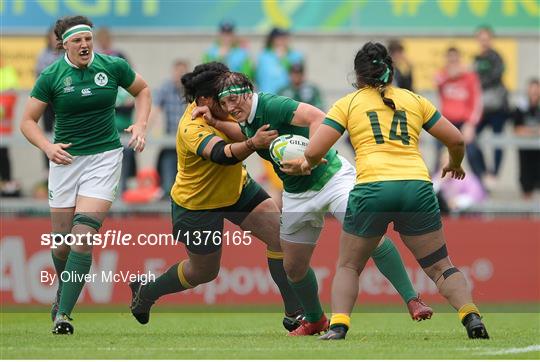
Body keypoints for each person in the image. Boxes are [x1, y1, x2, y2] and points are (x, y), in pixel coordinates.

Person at [203, 71, 433, 337]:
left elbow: (318, 118)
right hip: (297, 194)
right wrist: (218, 124)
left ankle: (412, 299)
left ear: (248, 91)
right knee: (293, 267)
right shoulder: (246, 117)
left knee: (370, 236)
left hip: (332, 178)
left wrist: (309, 158)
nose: (231, 107)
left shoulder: (272, 105)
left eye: (234, 99)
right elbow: (244, 132)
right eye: (225, 104)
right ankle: (315, 320)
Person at [285, 42, 488, 340]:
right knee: (440, 266)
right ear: (391, 72)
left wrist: (306, 163)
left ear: (358, 76)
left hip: (372, 189)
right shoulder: (415, 100)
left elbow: (315, 150)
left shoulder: (348, 103)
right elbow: (456, 139)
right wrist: (455, 164)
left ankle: (339, 326)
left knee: (350, 265)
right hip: (416, 188)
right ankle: (471, 316)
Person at [129, 62, 305, 333]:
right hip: (197, 205)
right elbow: (221, 154)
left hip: (237, 190)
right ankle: (147, 291)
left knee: (281, 238)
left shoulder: (228, 107)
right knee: (204, 272)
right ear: (204, 100)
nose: (230, 97)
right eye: (222, 92)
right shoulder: (191, 127)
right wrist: (253, 143)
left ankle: (295, 312)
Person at [19, 15, 151, 335]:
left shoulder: (112, 66)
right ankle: (63, 296)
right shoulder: (51, 75)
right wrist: (47, 148)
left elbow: (143, 90)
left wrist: (141, 123)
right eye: (77, 40)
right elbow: (27, 121)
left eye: (88, 39)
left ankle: (63, 313)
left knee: (83, 236)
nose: (84, 45)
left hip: (104, 158)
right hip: (65, 161)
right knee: (62, 245)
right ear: (64, 44)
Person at [434, 47, 483, 176]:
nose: (453, 63)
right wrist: (451, 75)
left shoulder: (470, 77)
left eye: (455, 60)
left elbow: (477, 102)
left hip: (464, 123)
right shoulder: (442, 75)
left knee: (472, 153)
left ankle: (481, 186)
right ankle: (435, 187)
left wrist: (471, 124)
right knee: (439, 154)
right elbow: (437, 80)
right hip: (446, 121)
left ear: (460, 59)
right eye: (450, 60)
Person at [473, 26, 508, 188]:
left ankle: (494, 173)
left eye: (486, 38)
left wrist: (479, 84)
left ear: (491, 39)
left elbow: (496, 75)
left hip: (497, 107)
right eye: (481, 38)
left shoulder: (496, 57)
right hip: (482, 108)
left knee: (498, 139)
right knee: (471, 137)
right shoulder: (476, 59)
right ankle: (484, 172)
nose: (484, 41)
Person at [153, 59, 189, 195]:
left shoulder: (192, 90)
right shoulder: (165, 88)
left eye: (182, 73)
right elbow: (154, 109)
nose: (179, 77)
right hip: (170, 141)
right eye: (177, 73)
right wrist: (144, 130)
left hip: (188, 143)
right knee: (168, 182)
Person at [513, 78, 540, 200]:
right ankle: (527, 219)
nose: (534, 94)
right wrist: (534, 131)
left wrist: (528, 131)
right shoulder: (520, 108)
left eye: (536, 91)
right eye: (532, 91)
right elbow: (517, 130)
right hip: (525, 157)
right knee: (526, 190)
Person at [256, 27, 303, 94]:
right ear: (272, 39)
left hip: (287, 97)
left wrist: (284, 59)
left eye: (284, 37)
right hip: (267, 96)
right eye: (279, 38)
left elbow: (297, 77)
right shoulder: (264, 56)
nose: (282, 40)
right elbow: (258, 77)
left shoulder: (295, 56)